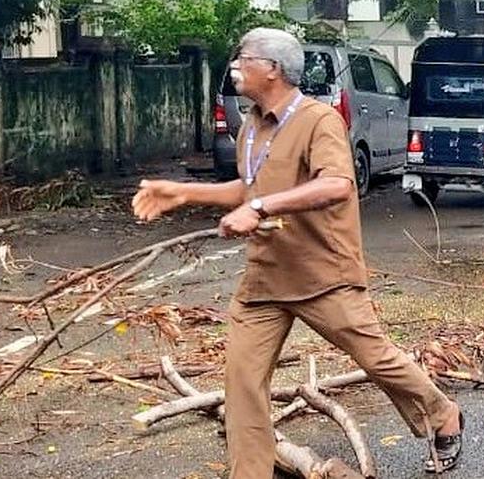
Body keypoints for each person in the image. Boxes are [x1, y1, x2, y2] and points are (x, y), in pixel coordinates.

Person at [131, 28, 464, 475]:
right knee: (243, 383)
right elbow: (251, 187)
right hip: (266, 277)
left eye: (242, 59)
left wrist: (260, 206)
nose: (234, 67)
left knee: (375, 357)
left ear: (271, 69)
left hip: (322, 272)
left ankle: (441, 414)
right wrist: (182, 192)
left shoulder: (318, 120)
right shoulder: (251, 125)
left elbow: (337, 184)